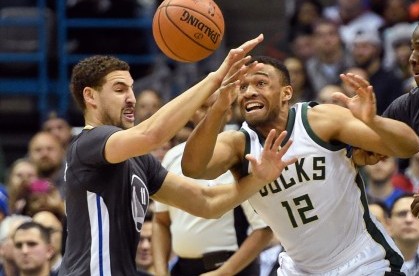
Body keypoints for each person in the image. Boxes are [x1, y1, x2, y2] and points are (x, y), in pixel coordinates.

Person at [59, 35, 296, 276]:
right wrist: (215, 78)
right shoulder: (88, 142)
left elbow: (207, 202)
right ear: (90, 97)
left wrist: (259, 178)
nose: (131, 98)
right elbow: (152, 134)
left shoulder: (140, 161)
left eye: (132, 89)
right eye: (120, 90)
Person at [182, 55, 419, 275]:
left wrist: (373, 120)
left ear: (286, 93)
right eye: (242, 87)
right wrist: (219, 106)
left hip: (362, 261)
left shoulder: (319, 120)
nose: (249, 92)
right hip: (299, 269)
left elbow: (407, 147)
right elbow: (193, 168)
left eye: (261, 83)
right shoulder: (238, 144)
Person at [347, 12, 419, 275]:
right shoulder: (415, 102)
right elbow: (369, 142)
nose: (412, 58)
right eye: (412, 49)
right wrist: (367, 122)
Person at [153, 96, 272, 276]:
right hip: (183, 268)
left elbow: (264, 229)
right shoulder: (172, 156)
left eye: (215, 107)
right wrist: (161, 272)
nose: (208, 113)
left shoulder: (242, 157)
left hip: (232, 269)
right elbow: (161, 221)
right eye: (201, 107)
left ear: (229, 113)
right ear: (192, 112)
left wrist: (223, 273)